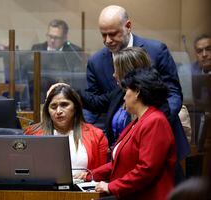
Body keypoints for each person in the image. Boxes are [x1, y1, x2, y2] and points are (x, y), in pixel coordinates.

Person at [82, 5, 189, 181]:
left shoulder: (156, 50)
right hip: (121, 149)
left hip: (158, 143)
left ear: (128, 26)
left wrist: (151, 124)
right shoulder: (96, 61)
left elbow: (174, 93)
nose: (108, 40)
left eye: (113, 33)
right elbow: (96, 102)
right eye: (103, 34)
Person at [77, 68, 176, 200]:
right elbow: (119, 162)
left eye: (126, 91)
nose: (123, 97)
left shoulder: (155, 121)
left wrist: (112, 186)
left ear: (137, 92)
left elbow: (146, 169)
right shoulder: (137, 122)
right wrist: (90, 175)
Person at [24, 85, 108, 176]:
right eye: (53, 107)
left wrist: (88, 177)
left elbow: (101, 175)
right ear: (47, 110)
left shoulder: (96, 135)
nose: (58, 111)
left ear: (75, 107)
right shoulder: (32, 134)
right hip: (44, 188)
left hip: (83, 188)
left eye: (64, 105)